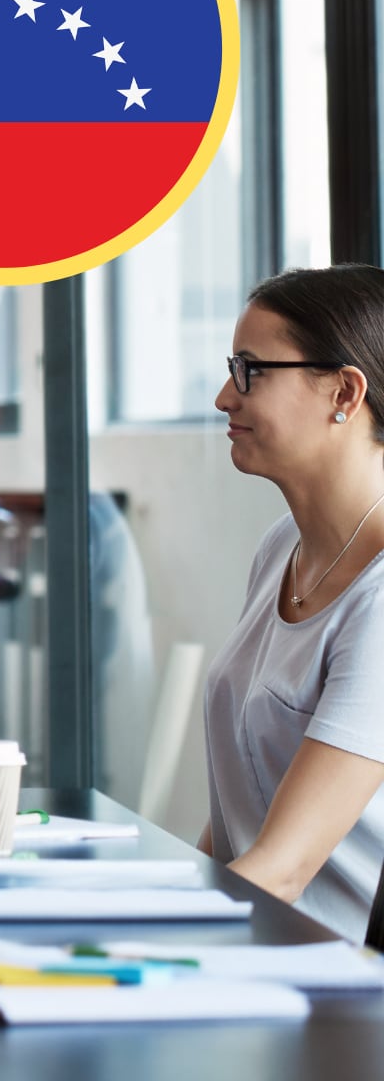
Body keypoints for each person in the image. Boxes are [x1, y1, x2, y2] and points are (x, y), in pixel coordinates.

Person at [204, 263, 384, 941]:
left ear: (344, 390)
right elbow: (238, 831)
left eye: (252, 371)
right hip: (251, 949)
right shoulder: (282, 548)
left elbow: (283, 869)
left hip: (335, 998)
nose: (226, 396)